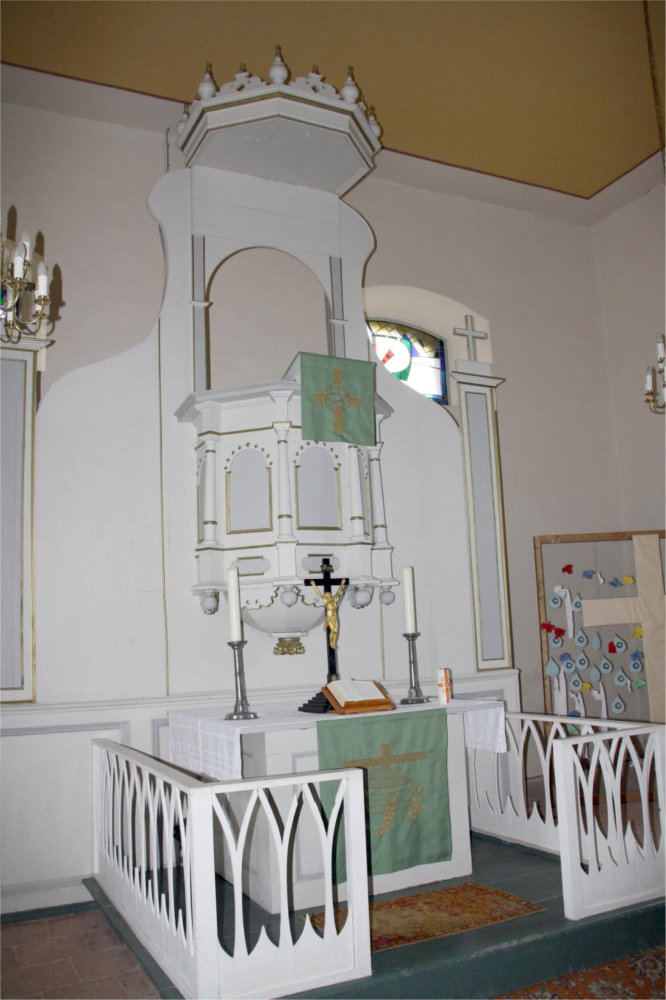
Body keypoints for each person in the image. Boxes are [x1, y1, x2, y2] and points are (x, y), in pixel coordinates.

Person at [310, 579, 346, 649]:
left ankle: (334, 642)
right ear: (326, 596)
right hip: (329, 618)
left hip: (335, 617)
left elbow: (339, 592)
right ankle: (331, 643)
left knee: (336, 631)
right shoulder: (326, 601)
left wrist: (342, 583)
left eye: (329, 595)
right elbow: (319, 593)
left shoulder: (334, 599)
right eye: (327, 595)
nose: (328, 595)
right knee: (333, 630)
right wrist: (313, 585)